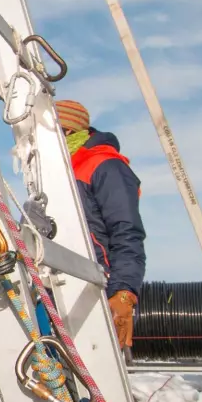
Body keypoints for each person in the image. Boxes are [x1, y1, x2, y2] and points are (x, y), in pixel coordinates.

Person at [54, 99, 145, 351]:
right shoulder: (54, 172)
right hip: (54, 285)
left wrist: (123, 291)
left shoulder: (105, 166)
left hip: (93, 286)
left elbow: (126, 231)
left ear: (68, 131)